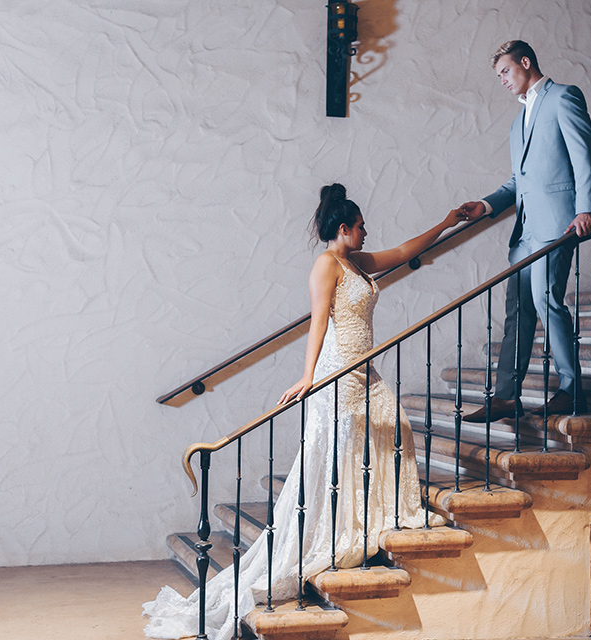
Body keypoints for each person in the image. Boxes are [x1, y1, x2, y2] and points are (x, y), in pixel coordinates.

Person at [143, 184, 464, 640]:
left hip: (363, 367)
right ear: (343, 229)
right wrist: (308, 375)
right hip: (336, 368)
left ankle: (377, 519)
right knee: (340, 451)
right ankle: (337, 531)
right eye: (361, 226)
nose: (367, 232)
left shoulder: (358, 262)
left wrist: (448, 221)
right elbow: (317, 322)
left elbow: (402, 251)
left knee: (396, 430)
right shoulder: (325, 265)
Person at [460, 40, 591, 423]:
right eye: (499, 76)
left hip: (558, 225)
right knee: (518, 310)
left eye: (505, 71)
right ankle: (506, 396)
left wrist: (586, 208)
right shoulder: (517, 121)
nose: (502, 80)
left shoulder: (563, 98)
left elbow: (584, 153)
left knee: (547, 301)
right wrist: (486, 205)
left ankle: (572, 391)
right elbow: (517, 182)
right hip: (525, 232)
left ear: (525, 62)